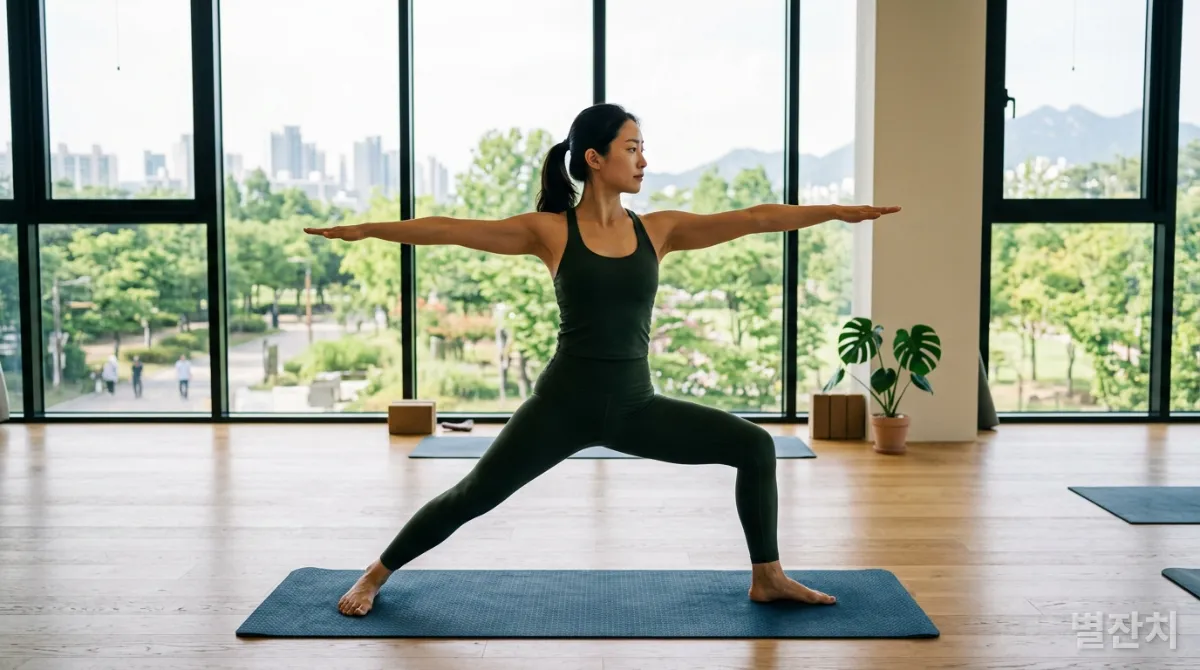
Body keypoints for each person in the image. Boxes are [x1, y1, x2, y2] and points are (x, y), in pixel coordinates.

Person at [305, 103, 900, 617]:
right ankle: (375, 574)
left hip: (636, 408)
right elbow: (449, 230)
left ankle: (767, 577)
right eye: (632, 147)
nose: (643, 160)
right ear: (595, 157)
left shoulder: (658, 230)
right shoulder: (549, 231)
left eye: (644, 149)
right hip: (561, 407)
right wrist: (364, 230)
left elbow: (754, 219)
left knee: (754, 445)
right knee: (472, 497)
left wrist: (834, 212)